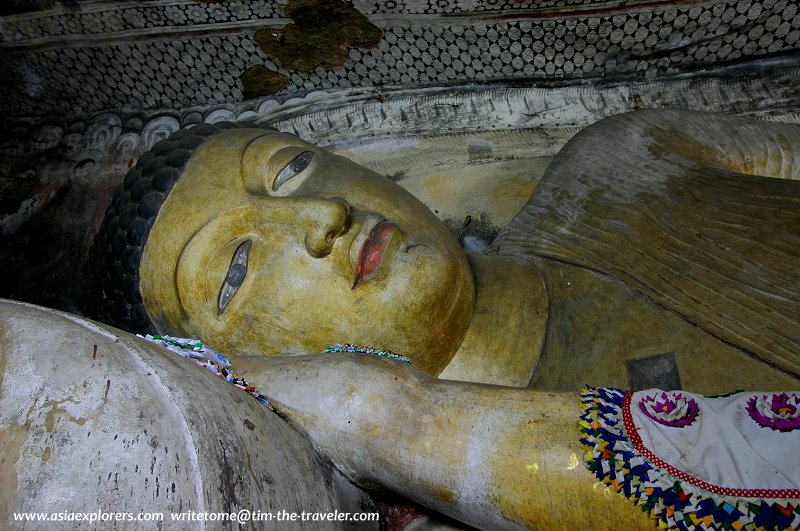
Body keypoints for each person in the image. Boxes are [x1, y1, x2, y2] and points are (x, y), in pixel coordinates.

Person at [91, 110, 800, 529]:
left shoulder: (620, 161)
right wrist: (388, 414)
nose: (318, 218)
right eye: (235, 270)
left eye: (290, 170)